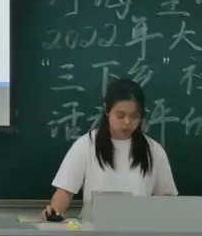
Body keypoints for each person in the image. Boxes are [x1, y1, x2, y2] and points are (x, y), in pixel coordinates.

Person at [42, 79, 178, 220]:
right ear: (107, 110)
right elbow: (65, 191)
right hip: (94, 226)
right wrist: (54, 212)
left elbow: (167, 198)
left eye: (134, 116)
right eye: (120, 116)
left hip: (139, 226)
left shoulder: (153, 150)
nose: (127, 122)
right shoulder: (86, 145)